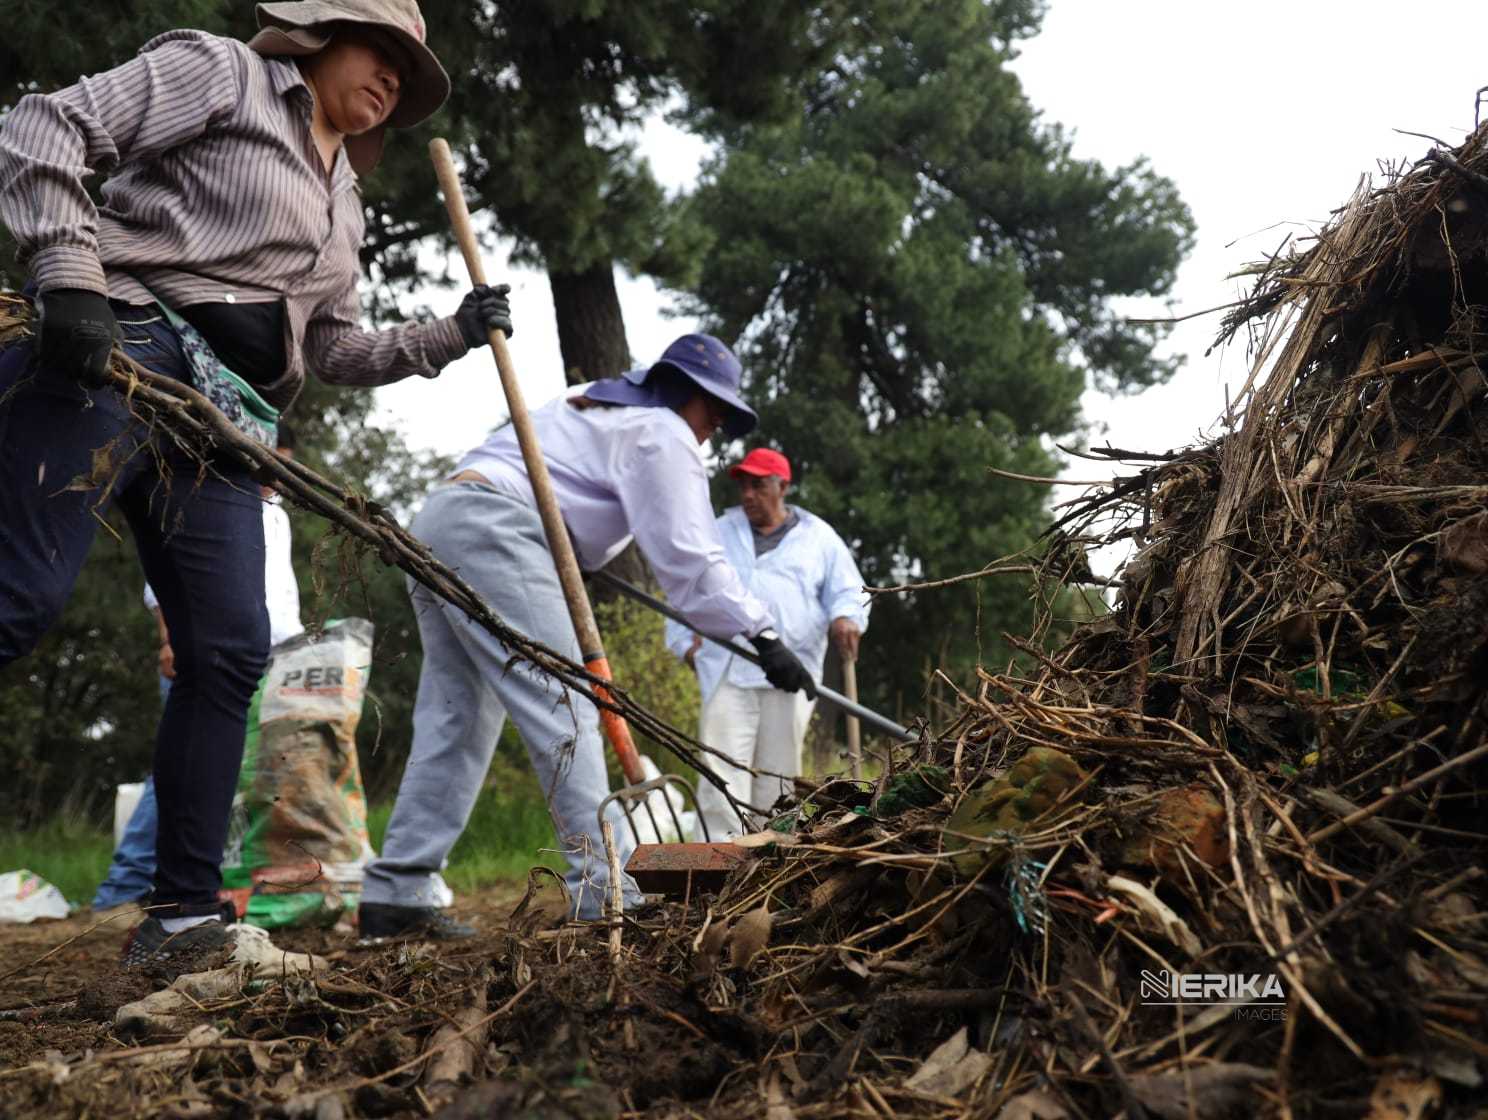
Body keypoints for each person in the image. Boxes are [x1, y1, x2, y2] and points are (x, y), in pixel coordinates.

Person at [0, 0, 515, 966]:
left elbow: (328, 346)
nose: (396, 81)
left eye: (411, 75)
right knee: (15, 602)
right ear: (322, 33)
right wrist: (67, 274)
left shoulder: (345, 202)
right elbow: (44, 123)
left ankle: (184, 919)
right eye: (386, 53)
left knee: (231, 654)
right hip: (121, 346)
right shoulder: (221, 73)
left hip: (230, 427)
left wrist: (447, 334)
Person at [359, 334, 817, 937]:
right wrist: (763, 636)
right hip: (501, 529)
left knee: (459, 715)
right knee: (564, 703)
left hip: (447, 517)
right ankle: (603, 892)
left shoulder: (598, 404)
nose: (716, 429)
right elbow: (691, 561)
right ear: (689, 394)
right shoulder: (663, 431)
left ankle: (399, 891)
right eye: (718, 413)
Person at [92, 424, 306, 912]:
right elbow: (170, 579)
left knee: (222, 769)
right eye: (269, 463)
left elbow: (280, 590)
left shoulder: (277, 516)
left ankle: (207, 885)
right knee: (187, 764)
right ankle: (123, 887)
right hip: (205, 652)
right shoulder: (213, 496)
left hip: (262, 659)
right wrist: (168, 639)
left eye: (283, 465)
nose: (274, 476)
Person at [666, 448, 870, 839]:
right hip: (727, 667)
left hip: (790, 672)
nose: (747, 494)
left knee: (777, 779)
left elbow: (848, 590)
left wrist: (846, 618)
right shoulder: (719, 531)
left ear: (783, 486)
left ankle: (766, 861)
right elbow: (681, 583)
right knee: (719, 773)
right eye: (743, 485)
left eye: (758, 485)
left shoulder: (818, 538)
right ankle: (716, 867)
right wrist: (684, 644)